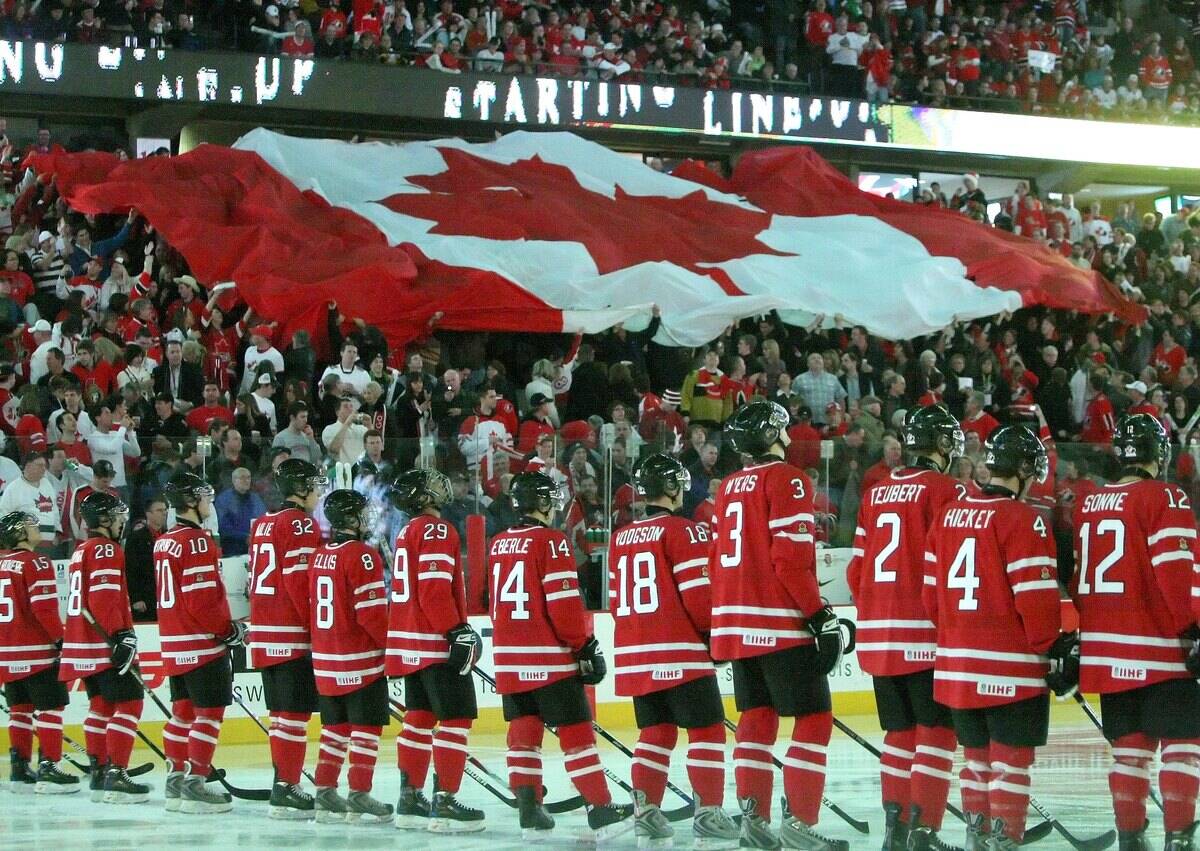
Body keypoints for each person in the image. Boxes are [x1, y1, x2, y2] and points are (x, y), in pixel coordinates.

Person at [708, 400, 853, 850]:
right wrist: (820, 615)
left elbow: (717, 562)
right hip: (778, 622)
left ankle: (755, 818)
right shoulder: (787, 478)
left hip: (735, 623)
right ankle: (800, 822)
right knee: (814, 718)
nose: (789, 435)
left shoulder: (730, 485)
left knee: (757, 717)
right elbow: (789, 562)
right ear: (773, 434)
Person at [923, 426, 1073, 849]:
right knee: (1011, 762)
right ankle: (1005, 840)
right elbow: (1037, 601)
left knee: (975, 760)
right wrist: (1054, 646)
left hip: (955, 667)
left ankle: (979, 838)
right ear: (1024, 469)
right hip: (1011, 667)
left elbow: (929, 596)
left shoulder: (948, 512)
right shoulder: (1023, 519)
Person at [1072, 414, 1200, 850]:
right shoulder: (1167, 497)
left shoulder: (1089, 502)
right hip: (1160, 647)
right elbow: (1177, 573)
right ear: (1158, 454)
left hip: (1106, 650)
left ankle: (1131, 837)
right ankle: (1179, 838)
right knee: (1183, 743)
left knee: (1130, 749)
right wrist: (1194, 628)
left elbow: (1078, 577)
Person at [489, 471, 634, 841]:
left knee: (523, 730)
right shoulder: (552, 542)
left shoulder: (499, 543)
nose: (554, 506)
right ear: (539, 503)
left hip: (509, 657)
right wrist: (584, 645)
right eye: (550, 500)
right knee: (576, 732)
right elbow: (564, 605)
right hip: (548, 658)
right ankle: (600, 808)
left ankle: (529, 810)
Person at [846, 405, 965, 849]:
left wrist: (877, 612)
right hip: (925, 629)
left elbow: (857, 572)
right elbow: (953, 565)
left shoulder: (875, 492)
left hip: (879, 631)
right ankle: (925, 830)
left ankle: (895, 829)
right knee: (936, 731)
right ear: (941, 445)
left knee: (899, 732)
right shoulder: (946, 489)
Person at [607, 454, 740, 849]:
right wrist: (715, 638)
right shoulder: (685, 531)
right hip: (680, 650)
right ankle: (708, 812)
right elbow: (699, 598)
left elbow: (616, 601)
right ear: (670, 489)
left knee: (655, 732)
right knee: (707, 730)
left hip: (635, 651)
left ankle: (646, 810)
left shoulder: (621, 537)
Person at [386, 468, 485, 832]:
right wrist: (456, 630)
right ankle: (445, 803)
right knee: (456, 719)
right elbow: (433, 590)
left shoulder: (406, 531)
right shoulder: (437, 529)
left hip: (410, 643)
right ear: (424, 497)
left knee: (420, 718)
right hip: (436, 643)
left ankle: (410, 799)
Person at [156, 472, 247, 815]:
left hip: (175, 642)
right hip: (201, 643)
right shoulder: (196, 541)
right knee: (208, 715)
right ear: (192, 501)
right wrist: (228, 630)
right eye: (204, 497)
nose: (209, 503)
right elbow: (201, 602)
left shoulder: (165, 540)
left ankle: (176, 781)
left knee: (182, 714)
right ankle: (195, 783)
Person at [246, 458, 326, 819]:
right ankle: (288, 788)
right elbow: (299, 582)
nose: (319, 491)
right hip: (291, 633)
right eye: (315, 484)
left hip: (263, 631)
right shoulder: (301, 523)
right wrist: (318, 627)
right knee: (293, 716)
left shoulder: (263, 523)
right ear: (301, 487)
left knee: (280, 716)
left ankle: (283, 781)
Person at [57, 492, 149, 803]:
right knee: (130, 704)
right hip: (104, 645)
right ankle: (117, 773)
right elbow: (104, 597)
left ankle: (99, 770)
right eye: (119, 516)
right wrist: (121, 635)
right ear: (105, 520)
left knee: (101, 707)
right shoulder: (107, 550)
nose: (123, 521)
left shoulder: (81, 550)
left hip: (81, 644)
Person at [308, 489, 393, 824]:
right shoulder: (362, 555)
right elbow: (371, 615)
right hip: (361, 661)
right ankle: (359, 792)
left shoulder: (319, 555)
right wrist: (392, 646)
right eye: (362, 513)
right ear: (350, 519)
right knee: (366, 730)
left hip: (327, 661)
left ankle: (325, 791)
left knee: (335, 729)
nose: (367, 518)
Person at [0, 512, 74, 794]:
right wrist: (60, 640)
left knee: (19, 710)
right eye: (31, 526)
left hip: (6, 653)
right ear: (19, 533)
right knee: (51, 709)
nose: (37, 529)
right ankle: (49, 768)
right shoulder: (36, 561)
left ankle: (19, 768)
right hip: (36, 653)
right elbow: (43, 609)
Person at [124, 496, 165, 622]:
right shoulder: (136, 538)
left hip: (166, 596)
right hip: (146, 599)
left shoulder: (169, 536)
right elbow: (130, 569)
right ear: (148, 514)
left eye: (165, 510)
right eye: (159, 510)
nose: (164, 514)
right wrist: (136, 598)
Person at [214, 467, 266, 556]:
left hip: (256, 547)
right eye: (242, 477)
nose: (246, 480)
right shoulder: (224, 499)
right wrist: (245, 537)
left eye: (248, 477)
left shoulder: (256, 498)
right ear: (234, 480)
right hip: (233, 549)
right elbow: (223, 528)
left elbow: (263, 519)